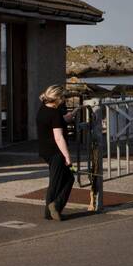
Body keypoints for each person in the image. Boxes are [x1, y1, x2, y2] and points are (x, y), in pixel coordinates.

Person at [36, 85, 77, 221]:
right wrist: (67, 157)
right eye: (63, 97)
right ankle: (53, 208)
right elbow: (58, 137)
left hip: (45, 150)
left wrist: (66, 118)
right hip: (55, 152)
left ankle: (53, 209)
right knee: (58, 181)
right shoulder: (55, 113)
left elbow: (54, 123)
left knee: (65, 179)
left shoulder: (43, 109)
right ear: (58, 99)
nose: (64, 100)